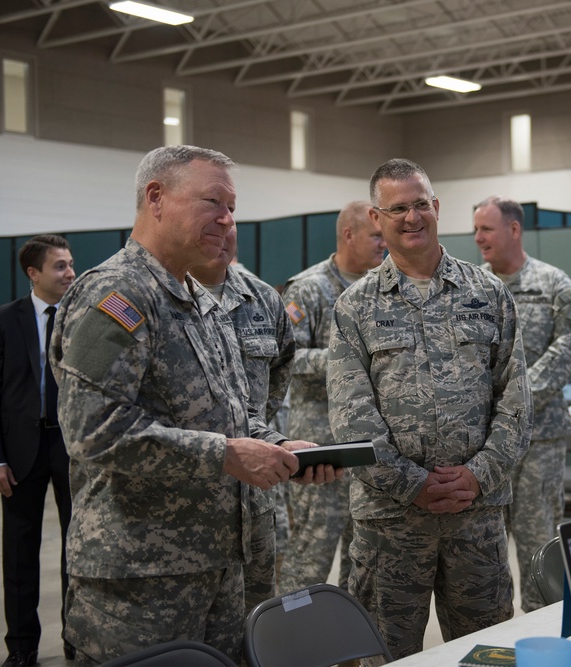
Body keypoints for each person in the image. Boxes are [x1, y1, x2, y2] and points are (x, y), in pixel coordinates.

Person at [49, 145, 342, 665]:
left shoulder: (197, 298)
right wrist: (227, 456)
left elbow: (231, 413)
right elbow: (93, 430)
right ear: (156, 198)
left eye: (232, 207)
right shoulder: (116, 296)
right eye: (213, 202)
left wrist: (274, 448)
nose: (227, 219)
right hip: (142, 578)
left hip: (223, 564)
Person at [327, 159, 532, 659]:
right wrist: (412, 485)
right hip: (390, 523)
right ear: (377, 219)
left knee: (486, 652)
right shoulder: (355, 307)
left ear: (436, 208)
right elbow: (352, 419)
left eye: (420, 204)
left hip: (476, 515)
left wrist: (479, 474)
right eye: (397, 208)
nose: (411, 217)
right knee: (381, 655)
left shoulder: (488, 294)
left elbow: (516, 401)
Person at [472, 195, 571, 613]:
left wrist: (520, 396)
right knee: (484, 544)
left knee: (540, 539)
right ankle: (496, 635)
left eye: (486, 228)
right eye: (476, 229)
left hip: (540, 436)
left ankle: (545, 632)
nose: (478, 237)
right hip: (486, 442)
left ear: (514, 229)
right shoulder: (474, 287)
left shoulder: (553, 283)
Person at [0, 235, 76, 667]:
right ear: (33, 274)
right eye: (59, 266)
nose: (70, 272)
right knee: (20, 555)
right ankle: (21, 648)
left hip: (73, 449)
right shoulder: (3, 320)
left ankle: (79, 638)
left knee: (80, 551)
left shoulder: (84, 317)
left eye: (71, 264)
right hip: (19, 452)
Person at [279, 200, 386, 593]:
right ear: (348, 235)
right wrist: (348, 357)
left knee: (364, 564)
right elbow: (285, 356)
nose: (384, 244)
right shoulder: (309, 288)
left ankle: (352, 652)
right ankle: (288, 649)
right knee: (309, 559)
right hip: (320, 447)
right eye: (376, 236)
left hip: (368, 445)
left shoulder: (383, 287)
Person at [189, 224, 296, 615]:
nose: (223, 228)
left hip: (255, 498)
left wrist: (266, 437)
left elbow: (281, 369)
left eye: (230, 218)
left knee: (254, 621)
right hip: (188, 506)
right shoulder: (165, 299)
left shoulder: (263, 299)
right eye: (211, 217)